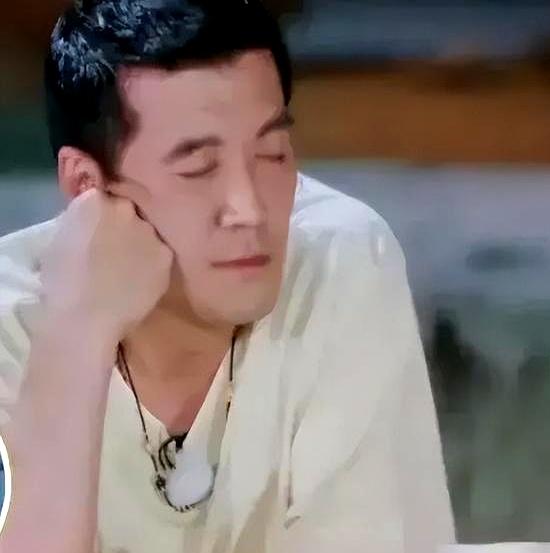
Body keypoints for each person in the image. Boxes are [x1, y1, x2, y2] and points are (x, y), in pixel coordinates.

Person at [0, 1, 455, 552]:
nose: (249, 209)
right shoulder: (12, 326)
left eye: (273, 154)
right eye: (198, 168)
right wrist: (78, 334)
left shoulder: (336, 262)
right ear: (86, 185)